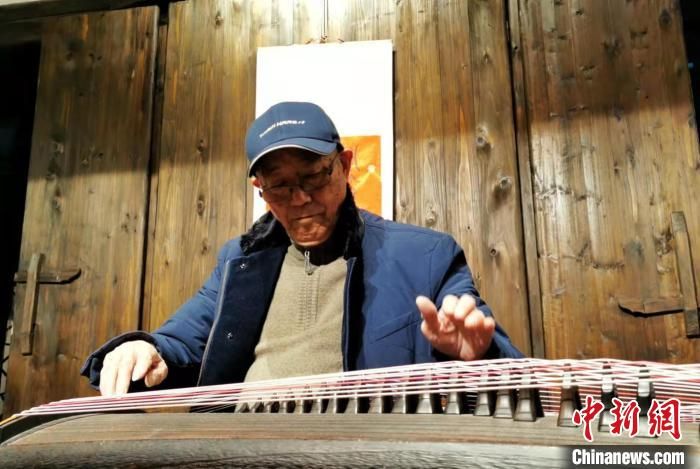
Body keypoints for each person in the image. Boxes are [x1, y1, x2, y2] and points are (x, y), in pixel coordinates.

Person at [82, 101, 523, 396]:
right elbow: (180, 340)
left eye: (314, 176)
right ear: (260, 189)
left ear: (344, 165)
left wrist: (477, 354)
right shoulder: (239, 261)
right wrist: (143, 349)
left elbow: (507, 370)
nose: (300, 199)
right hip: (241, 450)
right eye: (279, 185)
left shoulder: (425, 256)